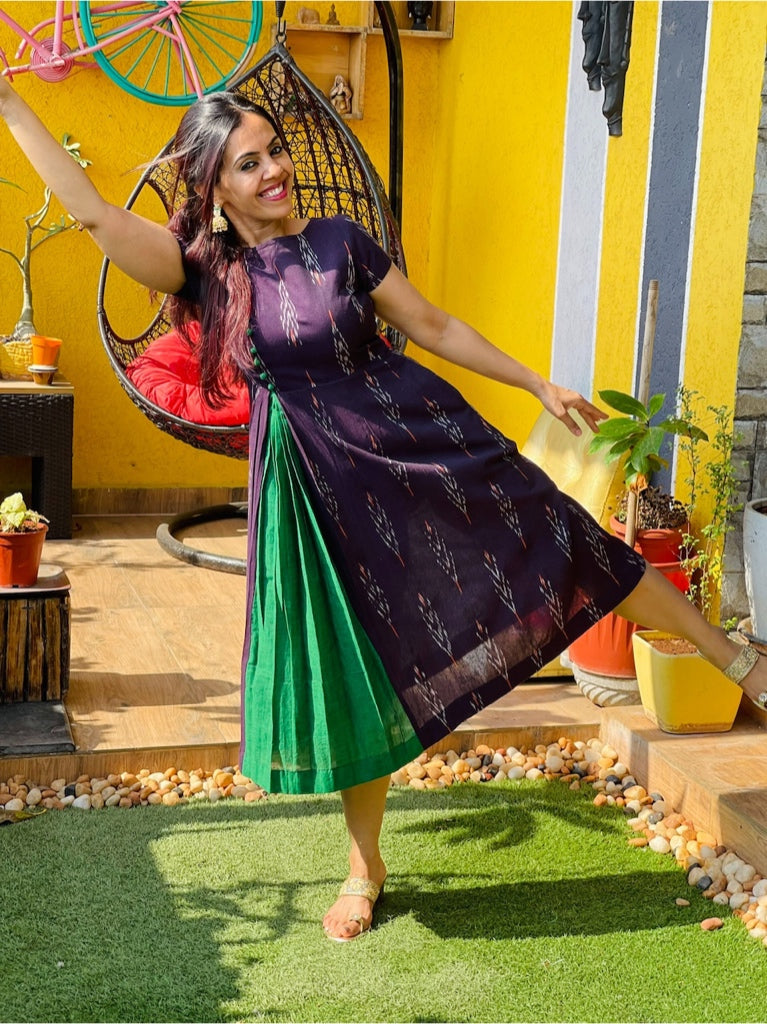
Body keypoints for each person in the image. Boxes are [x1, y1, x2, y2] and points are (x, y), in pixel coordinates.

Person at [2, 81, 764, 943]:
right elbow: (95, 215)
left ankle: (733, 660)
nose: (273, 170)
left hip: (415, 439)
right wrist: (11, 104)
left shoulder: (340, 242)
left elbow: (430, 324)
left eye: (275, 150)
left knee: (565, 535)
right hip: (312, 483)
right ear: (212, 187)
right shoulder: (202, 270)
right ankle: (364, 864)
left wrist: (535, 383)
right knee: (355, 660)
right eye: (248, 163)